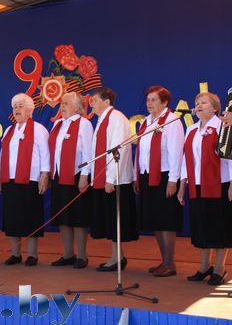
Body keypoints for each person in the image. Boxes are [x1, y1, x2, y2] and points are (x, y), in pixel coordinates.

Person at [178, 92, 232, 285]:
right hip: (197, 184)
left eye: (204, 103)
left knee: (219, 226)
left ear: (215, 108)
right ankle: (204, 266)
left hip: (219, 184)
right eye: (197, 103)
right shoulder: (191, 129)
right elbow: (187, 159)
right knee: (201, 225)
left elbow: (230, 159)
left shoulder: (223, 127)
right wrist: (182, 185)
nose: (199, 105)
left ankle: (219, 268)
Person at [133, 86, 184, 277]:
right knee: (155, 219)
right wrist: (137, 175)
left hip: (164, 176)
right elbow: (141, 152)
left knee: (166, 220)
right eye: (148, 100)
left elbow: (176, 152)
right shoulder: (146, 122)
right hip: (148, 175)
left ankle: (170, 263)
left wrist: (173, 180)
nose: (149, 103)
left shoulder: (172, 121)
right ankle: (164, 261)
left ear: (165, 102)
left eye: (153, 100)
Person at [89, 87, 138, 271]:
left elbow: (119, 149)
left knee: (116, 220)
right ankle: (117, 256)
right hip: (105, 178)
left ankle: (117, 258)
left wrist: (111, 178)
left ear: (107, 101)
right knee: (110, 220)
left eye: (94, 100)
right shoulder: (102, 119)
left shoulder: (116, 118)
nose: (91, 104)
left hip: (116, 180)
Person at [0, 93, 49, 267]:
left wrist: (44, 175)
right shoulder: (9, 130)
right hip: (10, 179)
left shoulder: (39, 129)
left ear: (29, 110)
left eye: (20, 106)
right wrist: (0, 175)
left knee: (30, 217)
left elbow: (45, 154)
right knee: (12, 217)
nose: (17, 109)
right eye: (14, 107)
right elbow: (2, 155)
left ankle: (32, 254)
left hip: (31, 180)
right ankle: (15, 254)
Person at [48, 92, 93, 269]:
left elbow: (88, 153)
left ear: (77, 107)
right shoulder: (58, 124)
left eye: (66, 103)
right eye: (61, 103)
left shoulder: (84, 124)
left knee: (78, 217)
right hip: (59, 175)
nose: (62, 106)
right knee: (63, 217)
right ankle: (67, 254)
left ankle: (82, 255)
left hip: (76, 175)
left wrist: (84, 176)